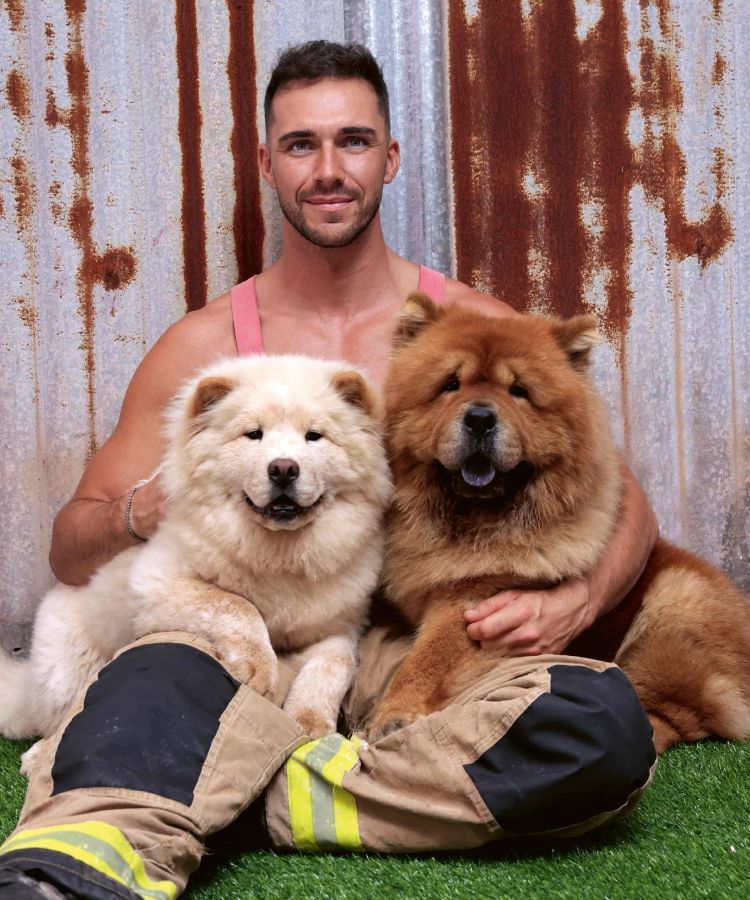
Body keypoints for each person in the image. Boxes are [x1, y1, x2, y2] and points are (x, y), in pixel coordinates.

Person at [0, 41, 657, 900]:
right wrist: (143, 510)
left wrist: (581, 599)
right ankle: (72, 869)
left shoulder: (470, 329)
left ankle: (263, 796)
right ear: (266, 163)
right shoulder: (207, 346)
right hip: (240, 648)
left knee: (598, 724)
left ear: (389, 157)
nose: (329, 169)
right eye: (301, 144)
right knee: (151, 681)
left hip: (398, 650)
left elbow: (629, 503)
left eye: (353, 140)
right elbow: (70, 543)